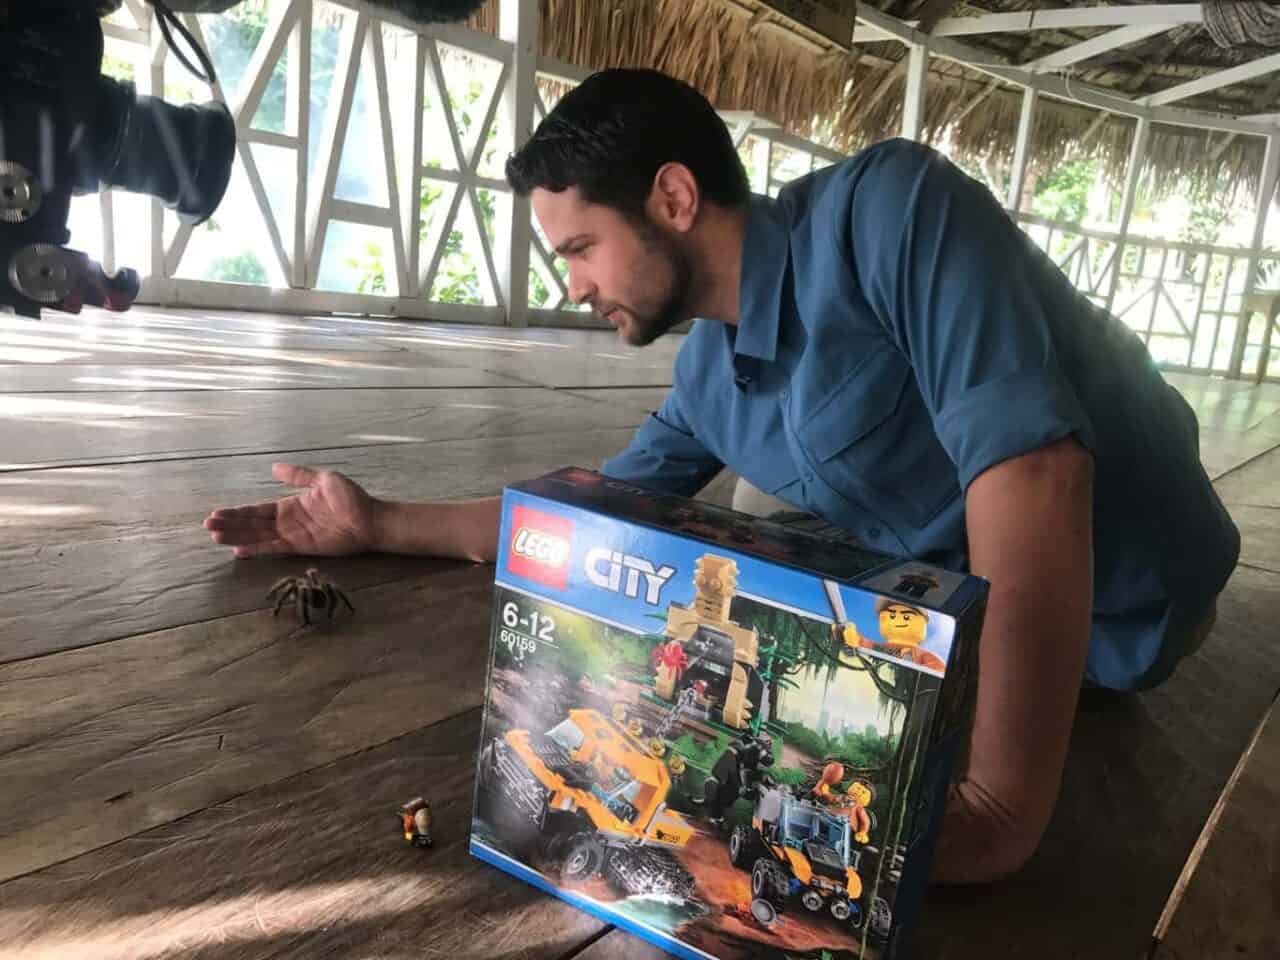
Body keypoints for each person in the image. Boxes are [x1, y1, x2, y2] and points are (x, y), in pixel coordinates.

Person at [203, 68, 1239, 884]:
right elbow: (585, 513)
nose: (572, 286)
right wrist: (377, 519)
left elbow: (1035, 476)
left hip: (1137, 609)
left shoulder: (891, 213)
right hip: (965, 623)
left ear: (671, 196)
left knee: (761, 506)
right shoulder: (709, 372)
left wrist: (997, 812)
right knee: (739, 514)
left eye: (581, 249)